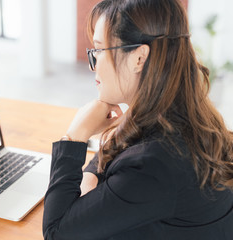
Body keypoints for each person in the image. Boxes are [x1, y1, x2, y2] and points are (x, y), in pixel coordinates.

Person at [42, 0, 233, 239]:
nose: (94, 65)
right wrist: (90, 180)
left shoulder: (156, 162)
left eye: (100, 50)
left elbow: (56, 233)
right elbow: (118, 151)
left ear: (139, 58)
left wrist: (74, 137)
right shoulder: (177, 112)